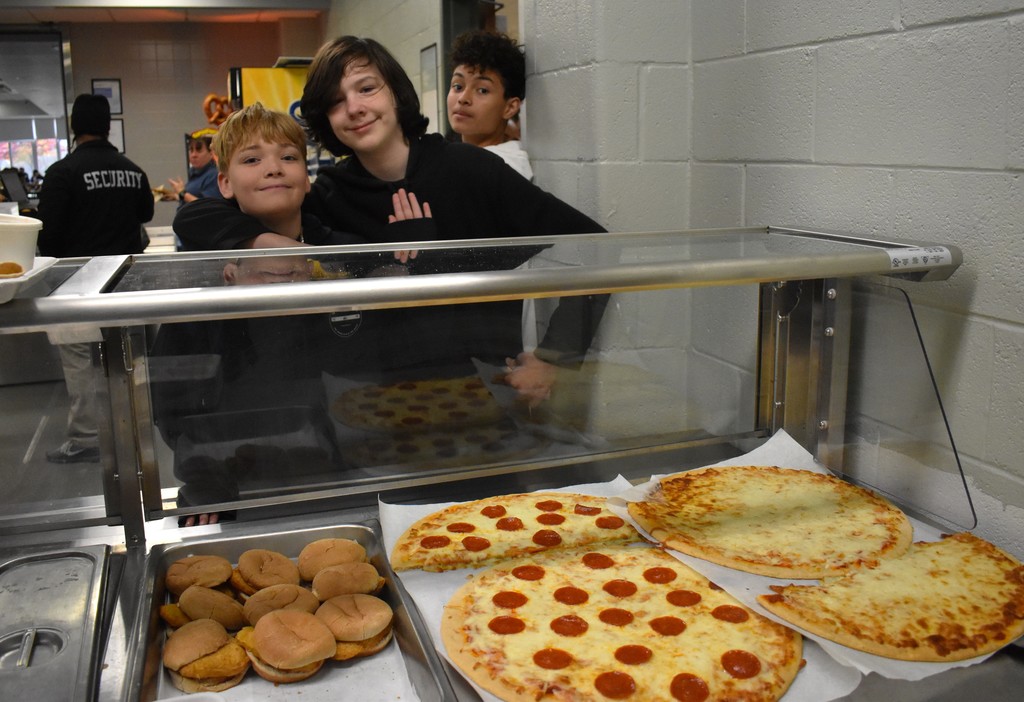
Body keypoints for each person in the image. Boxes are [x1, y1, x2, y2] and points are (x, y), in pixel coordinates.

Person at [174, 36, 607, 393]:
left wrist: (556, 358)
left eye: (366, 88)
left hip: (480, 386)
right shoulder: (330, 193)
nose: (354, 108)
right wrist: (265, 243)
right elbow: (199, 218)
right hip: (368, 396)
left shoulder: (471, 170)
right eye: (336, 101)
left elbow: (595, 246)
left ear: (396, 93)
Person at [37, 93, 154, 463]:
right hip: (125, 281)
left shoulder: (63, 172)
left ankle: (88, 438)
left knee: (80, 359)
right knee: (125, 356)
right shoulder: (133, 171)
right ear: (107, 126)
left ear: (75, 127)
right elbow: (146, 214)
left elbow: (48, 235)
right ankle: (134, 428)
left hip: (77, 284)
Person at [447, 29, 533, 180]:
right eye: (458, 86)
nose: (463, 98)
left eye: (482, 90)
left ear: (510, 107)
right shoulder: (460, 159)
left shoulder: (504, 168)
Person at [167, 128, 222, 207]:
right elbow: (196, 198)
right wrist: (176, 196)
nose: (193, 155)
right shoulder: (197, 173)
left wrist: (182, 193)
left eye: (198, 150)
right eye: (191, 150)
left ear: (211, 153)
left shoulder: (213, 175)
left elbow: (208, 207)